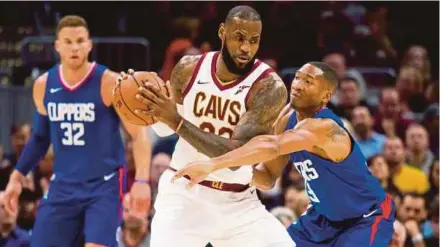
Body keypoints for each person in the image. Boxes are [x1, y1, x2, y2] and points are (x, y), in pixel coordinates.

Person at [174, 61, 396, 246]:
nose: (298, 85)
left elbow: (272, 145)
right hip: (322, 217)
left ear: (325, 96)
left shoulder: (324, 128)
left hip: (365, 216)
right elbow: (267, 177)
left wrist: (214, 164)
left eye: (308, 82)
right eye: (298, 77)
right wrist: (222, 174)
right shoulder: (286, 118)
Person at [127, 5, 294, 247]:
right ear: (222, 32)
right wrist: (145, 104)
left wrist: (176, 121)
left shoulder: (268, 87)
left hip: (237, 202)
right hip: (183, 196)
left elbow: (237, 157)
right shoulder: (188, 68)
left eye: (254, 40)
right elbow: (164, 128)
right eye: (239, 37)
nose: (246, 48)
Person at [3, 15, 151, 247]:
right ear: (57, 46)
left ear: (89, 44)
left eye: (80, 41)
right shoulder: (44, 85)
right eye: (68, 42)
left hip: (104, 185)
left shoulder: (108, 82)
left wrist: (142, 179)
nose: (75, 47)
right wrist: (17, 175)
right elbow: (40, 138)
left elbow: (139, 133)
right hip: (63, 185)